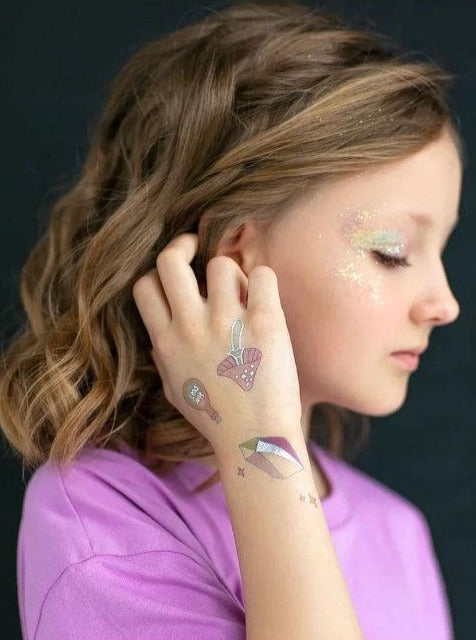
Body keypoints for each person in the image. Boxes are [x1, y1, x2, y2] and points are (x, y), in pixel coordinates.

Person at [0, 2, 464, 638]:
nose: (445, 303)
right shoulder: (102, 521)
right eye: (393, 251)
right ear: (237, 256)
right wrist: (258, 441)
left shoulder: (398, 532)